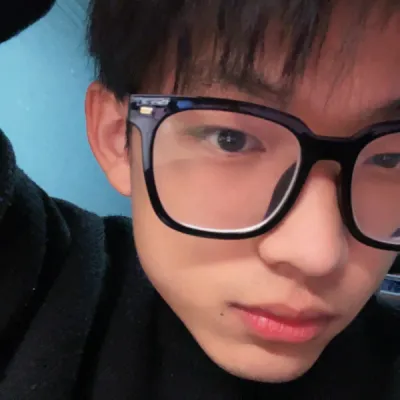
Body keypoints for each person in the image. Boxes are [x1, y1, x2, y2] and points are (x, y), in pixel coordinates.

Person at [1, 0, 400, 398]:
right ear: (117, 137)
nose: (317, 255)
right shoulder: (39, 284)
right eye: (232, 139)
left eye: (389, 158)